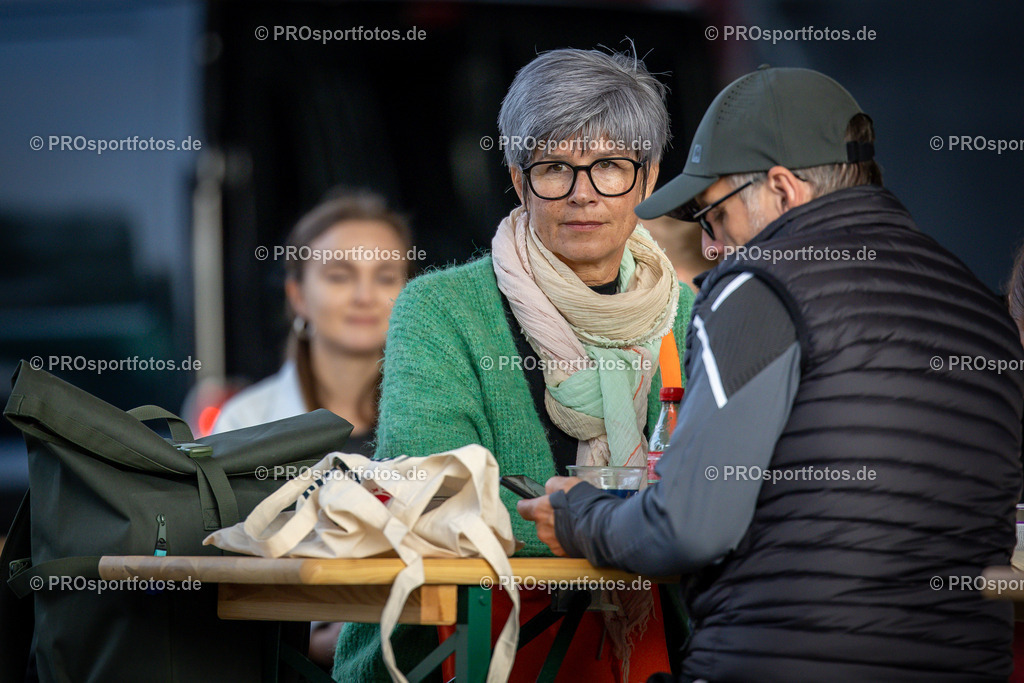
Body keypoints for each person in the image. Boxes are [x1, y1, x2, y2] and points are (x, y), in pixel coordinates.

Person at [519, 66, 1024, 681]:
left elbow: (687, 528)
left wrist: (580, 515)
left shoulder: (759, 287)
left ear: (783, 190)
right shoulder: (983, 314)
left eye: (714, 216)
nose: (712, 247)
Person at [333, 47, 693, 682]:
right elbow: (430, 497)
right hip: (460, 653)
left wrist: (597, 519)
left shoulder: (688, 311)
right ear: (518, 176)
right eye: (555, 167)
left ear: (650, 174)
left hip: (654, 655)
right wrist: (623, 526)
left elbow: (717, 497)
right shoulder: (440, 309)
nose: (583, 194)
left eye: (609, 165)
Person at [214, 189, 413, 668]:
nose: (366, 295)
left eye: (386, 276)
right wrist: (313, 641)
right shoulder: (243, 421)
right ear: (298, 295)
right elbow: (216, 577)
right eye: (341, 275)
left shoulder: (441, 412)